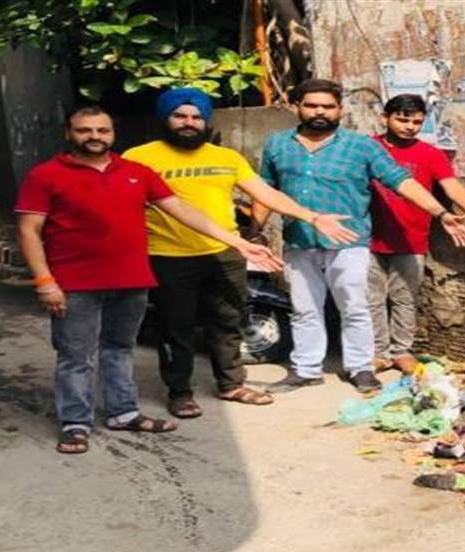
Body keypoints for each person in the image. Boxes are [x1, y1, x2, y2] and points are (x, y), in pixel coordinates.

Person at [15, 105, 281, 454]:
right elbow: (29, 231)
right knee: (75, 356)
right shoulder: (45, 175)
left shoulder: (136, 172)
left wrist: (238, 242)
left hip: (131, 280)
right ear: (69, 133)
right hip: (74, 284)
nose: (94, 137)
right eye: (85, 130)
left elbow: (182, 211)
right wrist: (44, 281)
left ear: (112, 134)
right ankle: (75, 423)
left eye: (102, 131)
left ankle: (123, 413)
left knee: (119, 349)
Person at [124, 87, 354, 419]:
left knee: (228, 323)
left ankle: (231, 384)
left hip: (225, 253)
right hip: (168, 256)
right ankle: (180, 392)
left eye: (197, 117)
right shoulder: (138, 157)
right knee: (177, 328)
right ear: (166, 118)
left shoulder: (226, 158)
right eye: (180, 116)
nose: (189, 123)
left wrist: (312, 217)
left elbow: (265, 193)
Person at [253, 79, 465, 394]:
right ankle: (305, 369)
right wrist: (254, 233)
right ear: (297, 107)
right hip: (299, 239)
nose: (320, 112)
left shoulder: (361, 145)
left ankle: (360, 368)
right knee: (304, 309)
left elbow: (401, 181)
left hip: (349, 241)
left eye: (328, 106)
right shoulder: (277, 144)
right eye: (312, 105)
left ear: (339, 110)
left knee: (355, 306)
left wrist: (440, 213)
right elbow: (265, 190)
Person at [369, 94, 465, 373]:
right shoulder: (367, 148)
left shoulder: (429, 154)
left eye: (417, 122)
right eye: (402, 119)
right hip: (367, 238)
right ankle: (377, 352)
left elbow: (453, 188)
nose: (409, 127)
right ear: (385, 118)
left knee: (405, 297)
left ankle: (401, 351)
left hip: (411, 238)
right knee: (369, 299)